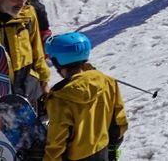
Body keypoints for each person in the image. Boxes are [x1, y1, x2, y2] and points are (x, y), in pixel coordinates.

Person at [42, 31, 126, 161]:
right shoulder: (108, 82)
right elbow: (119, 122)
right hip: (101, 151)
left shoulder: (60, 98)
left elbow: (56, 143)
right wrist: (113, 152)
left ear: (58, 63)